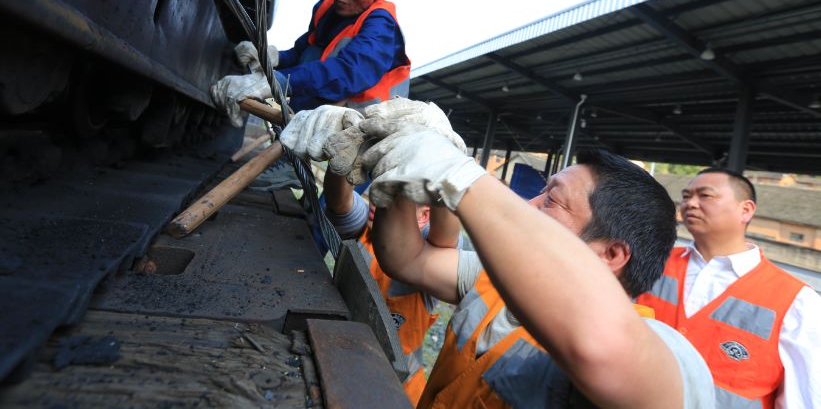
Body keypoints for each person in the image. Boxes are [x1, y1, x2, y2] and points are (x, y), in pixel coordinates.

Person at [284, 99, 715, 408]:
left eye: (552, 201)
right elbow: (406, 259)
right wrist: (403, 177)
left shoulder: (673, 358)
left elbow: (600, 347)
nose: (528, 204)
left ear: (610, 254)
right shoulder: (490, 278)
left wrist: (456, 173)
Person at [636, 168, 820, 408]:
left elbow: (804, 398)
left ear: (746, 210)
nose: (689, 203)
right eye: (686, 195)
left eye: (705, 196)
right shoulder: (652, 260)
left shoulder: (797, 302)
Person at [210, 0, 410, 124]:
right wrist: (271, 58)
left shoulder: (383, 26)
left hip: (359, 124)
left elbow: (348, 72)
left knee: (328, 76)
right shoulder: (325, 8)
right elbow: (303, 53)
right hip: (315, 111)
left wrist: (277, 82)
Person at [322, 172, 462, 405]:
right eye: (379, 192)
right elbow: (339, 202)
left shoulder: (430, 255)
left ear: (425, 215)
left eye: (396, 199)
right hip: (341, 359)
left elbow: (445, 237)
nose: (380, 203)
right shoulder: (365, 228)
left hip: (397, 387)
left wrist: (443, 181)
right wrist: (341, 169)